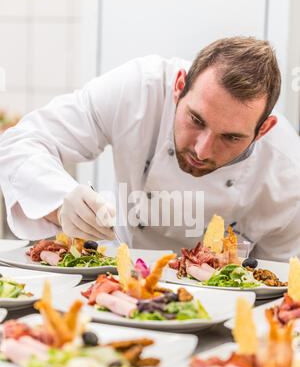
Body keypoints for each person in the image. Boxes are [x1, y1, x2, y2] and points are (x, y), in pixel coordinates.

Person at [0, 37, 300, 261]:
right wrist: (60, 200)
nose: (202, 150)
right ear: (179, 87)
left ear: (263, 129)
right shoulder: (138, 89)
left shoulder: (288, 175)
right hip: (122, 272)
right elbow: (21, 141)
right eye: (196, 120)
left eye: (230, 137)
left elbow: (281, 285)